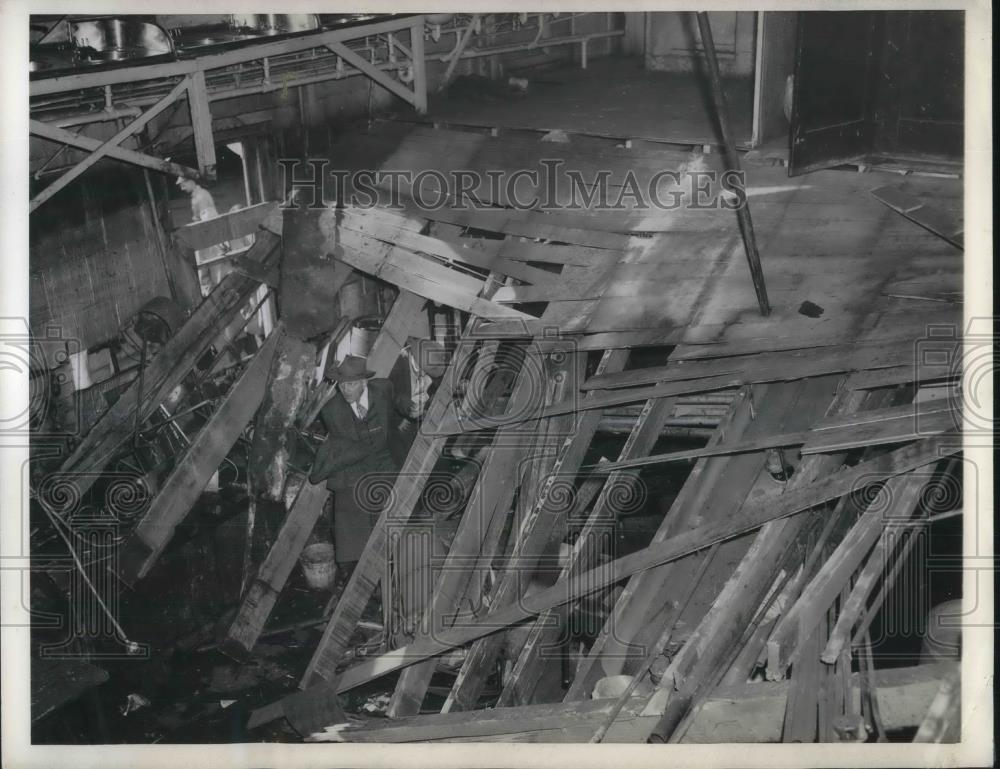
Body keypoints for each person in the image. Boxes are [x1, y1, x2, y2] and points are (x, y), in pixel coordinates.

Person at [308, 355, 399, 574]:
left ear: (363, 383)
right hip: (356, 470)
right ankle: (361, 574)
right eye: (341, 385)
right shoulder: (331, 411)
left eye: (350, 385)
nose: (345, 390)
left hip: (387, 466)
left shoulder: (384, 390)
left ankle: (392, 565)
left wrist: (410, 406)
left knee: (392, 530)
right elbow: (351, 449)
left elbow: (396, 406)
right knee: (354, 536)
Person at [388, 336, 448, 465]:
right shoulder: (395, 365)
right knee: (407, 460)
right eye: (426, 371)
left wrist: (426, 406)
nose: (428, 375)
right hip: (396, 421)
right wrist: (410, 409)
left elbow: (437, 384)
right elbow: (391, 395)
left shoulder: (430, 361)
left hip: (417, 417)